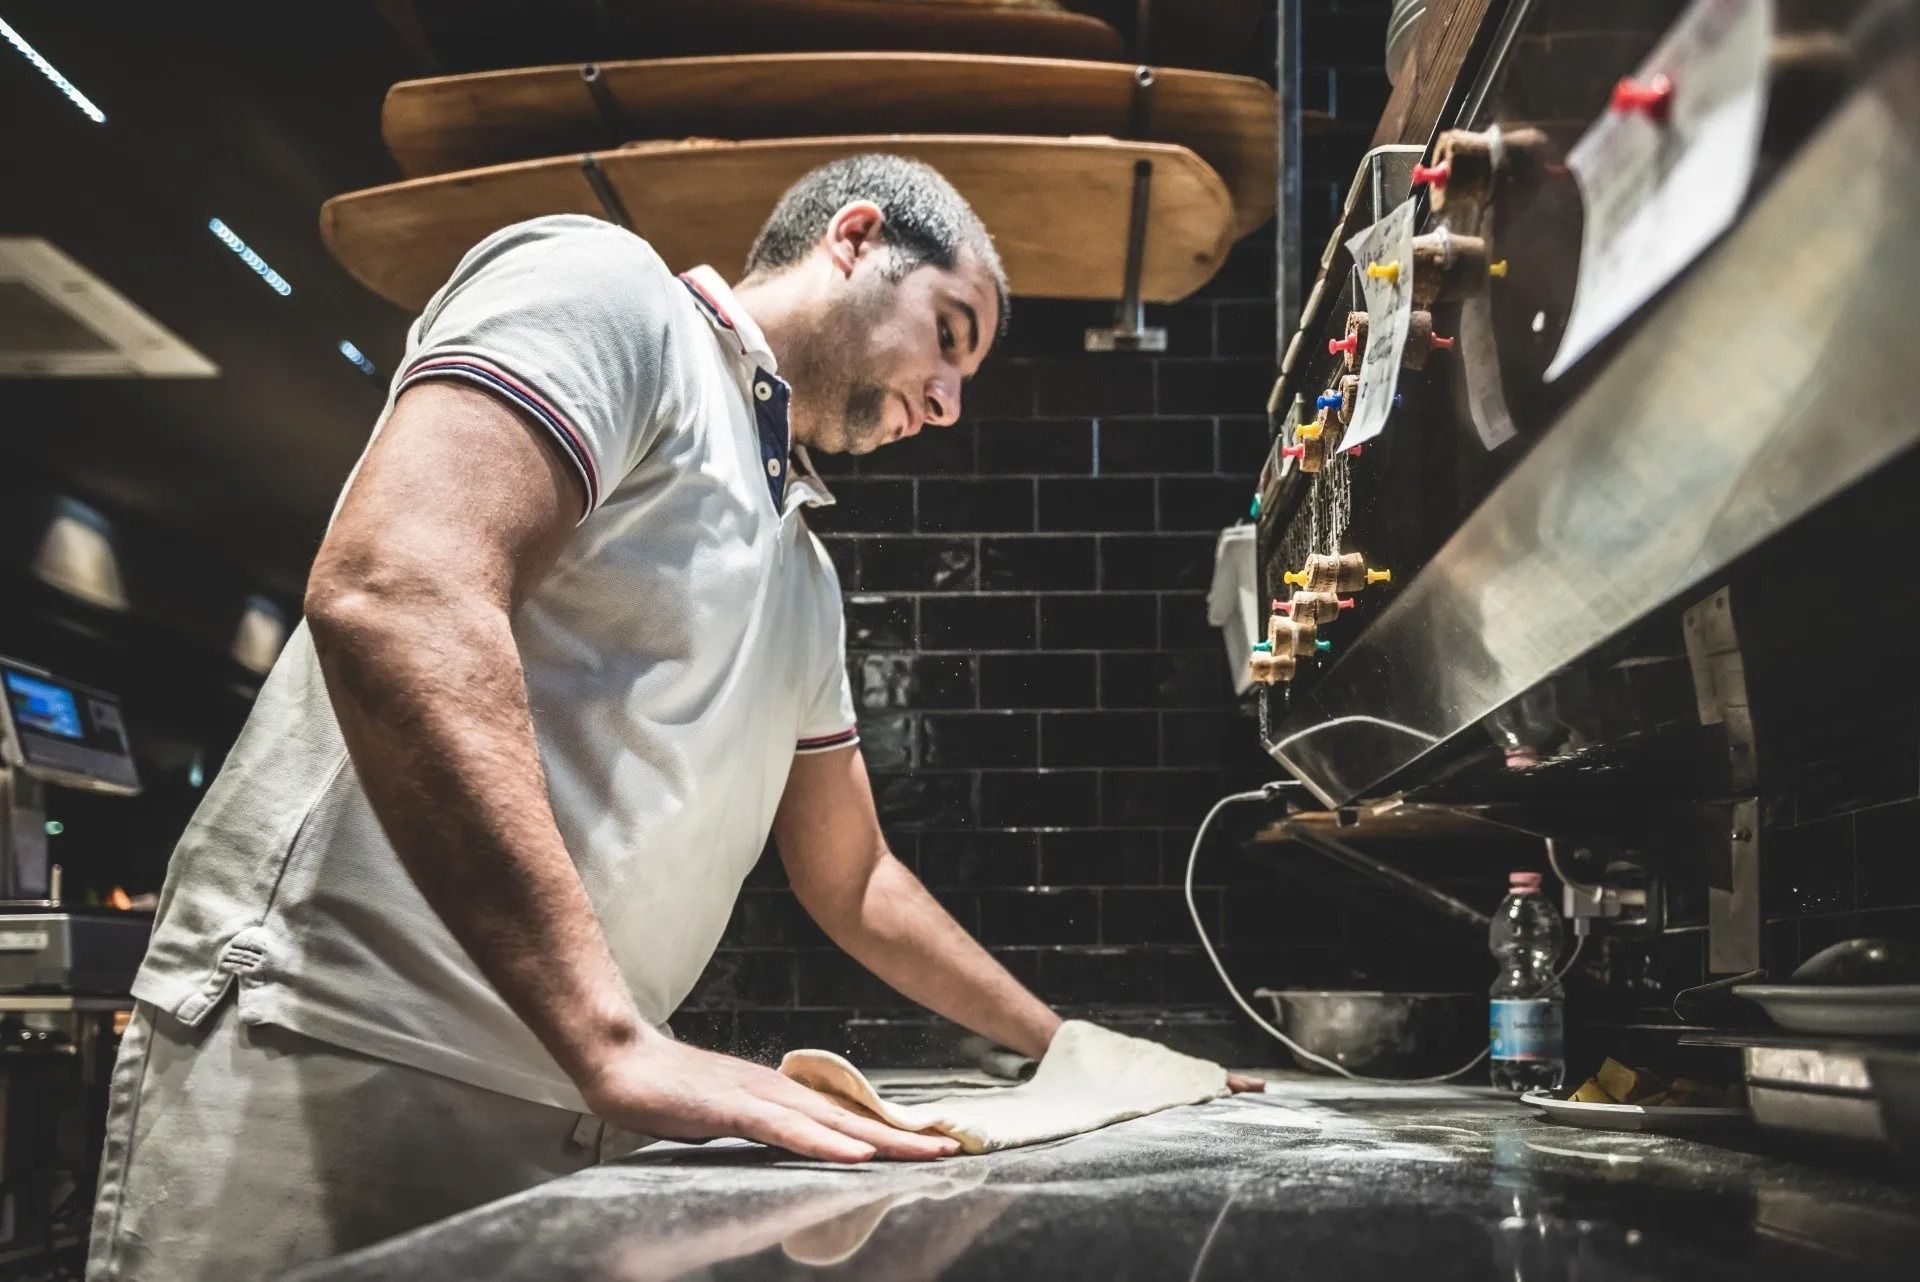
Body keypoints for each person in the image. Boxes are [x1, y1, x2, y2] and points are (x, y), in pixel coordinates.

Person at [86, 154, 1259, 1281]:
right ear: (855, 240)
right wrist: (614, 1040)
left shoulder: (802, 571)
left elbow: (854, 878)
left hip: (569, 1107)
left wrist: (1070, 1050)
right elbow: (396, 591)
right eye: (949, 334)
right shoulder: (616, 295)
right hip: (340, 1047)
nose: (949, 402)